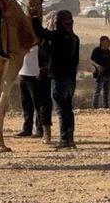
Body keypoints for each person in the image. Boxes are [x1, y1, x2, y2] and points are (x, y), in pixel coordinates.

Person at [32, 10, 80, 149]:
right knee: (68, 109)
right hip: (70, 79)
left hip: (59, 79)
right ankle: (70, 139)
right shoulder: (74, 38)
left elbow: (41, 33)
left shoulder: (58, 36)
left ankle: (64, 140)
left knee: (61, 111)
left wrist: (34, 17)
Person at [90, 36, 110, 109]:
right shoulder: (96, 50)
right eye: (107, 42)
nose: (108, 44)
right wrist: (97, 66)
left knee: (106, 93)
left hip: (108, 74)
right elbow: (91, 60)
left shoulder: (108, 51)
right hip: (99, 75)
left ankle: (106, 108)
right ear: (102, 42)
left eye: (108, 42)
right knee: (97, 92)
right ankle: (94, 108)